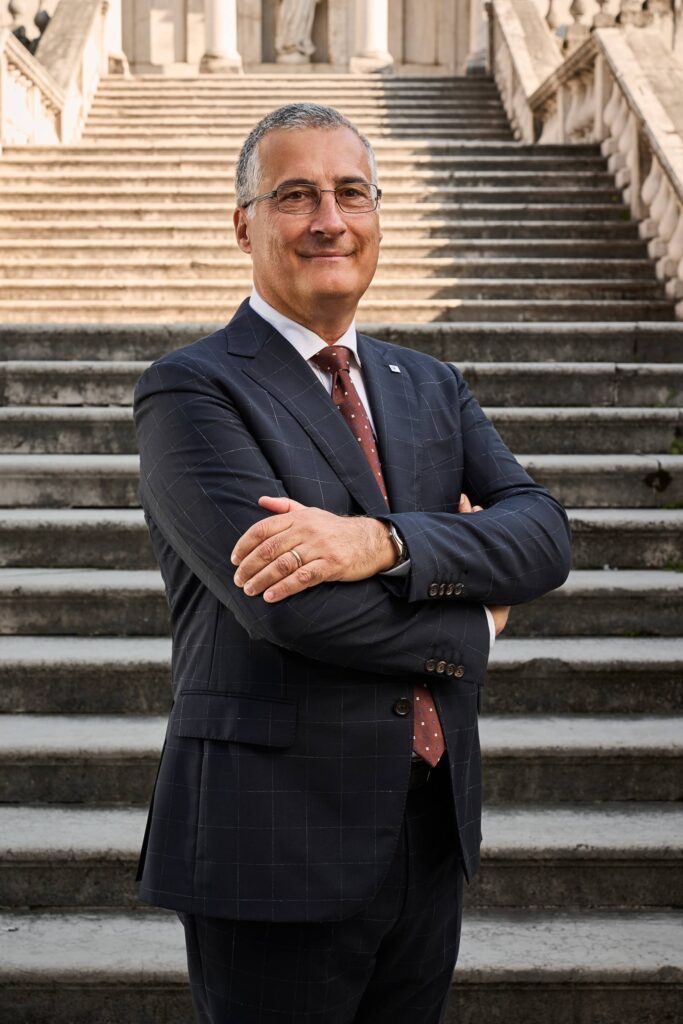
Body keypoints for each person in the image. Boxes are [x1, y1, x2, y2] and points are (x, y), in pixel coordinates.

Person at [133, 103, 571, 1024]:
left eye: (351, 193)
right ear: (244, 224)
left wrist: (384, 542)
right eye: (295, 195)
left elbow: (541, 536)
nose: (329, 219)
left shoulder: (430, 383)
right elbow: (290, 608)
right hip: (271, 838)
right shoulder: (193, 387)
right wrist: (477, 618)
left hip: (428, 829)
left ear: (377, 215)